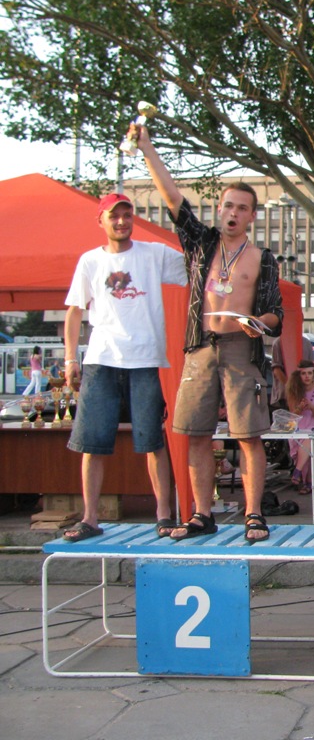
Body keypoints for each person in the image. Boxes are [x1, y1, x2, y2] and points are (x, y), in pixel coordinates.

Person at [135, 124, 283, 543]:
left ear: (252, 215)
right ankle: (202, 512)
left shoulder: (262, 258)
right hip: (201, 347)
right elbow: (173, 199)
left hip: (241, 349)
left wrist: (258, 323)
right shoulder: (201, 244)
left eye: (242, 208)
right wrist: (147, 147)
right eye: (228, 206)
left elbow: (275, 314)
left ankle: (253, 514)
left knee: (248, 435)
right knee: (196, 434)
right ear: (219, 209)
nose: (233, 213)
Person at [62, 193, 187, 541]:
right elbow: (74, 310)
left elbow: (197, 264)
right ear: (101, 221)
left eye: (127, 215)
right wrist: (70, 358)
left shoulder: (153, 253)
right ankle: (90, 518)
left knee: (152, 441)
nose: (121, 221)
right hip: (100, 360)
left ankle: (164, 515)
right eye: (114, 216)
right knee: (92, 444)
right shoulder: (90, 261)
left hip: (145, 360)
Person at [285, 360, 314, 494]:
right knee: (307, 442)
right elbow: (292, 415)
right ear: (299, 375)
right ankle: (307, 482)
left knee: (310, 440)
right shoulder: (293, 389)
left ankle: (299, 472)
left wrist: (311, 406)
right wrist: (300, 407)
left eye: (310, 373)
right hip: (299, 426)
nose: (307, 376)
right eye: (303, 374)